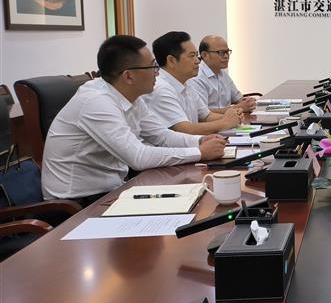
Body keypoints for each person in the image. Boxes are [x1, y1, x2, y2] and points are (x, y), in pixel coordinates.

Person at [42, 36, 226, 204]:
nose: (158, 73)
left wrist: (200, 141)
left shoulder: (132, 96)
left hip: (113, 190)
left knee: (197, 198)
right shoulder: (96, 102)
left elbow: (160, 135)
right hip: (75, 204)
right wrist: (199, 152)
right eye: (153, 67)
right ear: (129, 76)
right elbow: (138, 157)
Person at [146, 31, 242, 135]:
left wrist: (233, 117)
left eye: (196, 55)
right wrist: (226, 122)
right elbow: (185, 129)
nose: (198, 61)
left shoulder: (187, 83)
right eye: (192, 56)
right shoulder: (161, 89)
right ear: (171, 61)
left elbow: (206, 116)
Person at [189, 35, 256, 113]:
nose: (226, 56)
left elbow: (238, 99)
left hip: (230, 118)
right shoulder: (196, 77)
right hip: (216, 120)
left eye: (227, 52)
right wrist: (238, 108)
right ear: (205, 55)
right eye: (221, 53)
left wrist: (248, 102)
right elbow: (202, 114)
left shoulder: (223, 74)